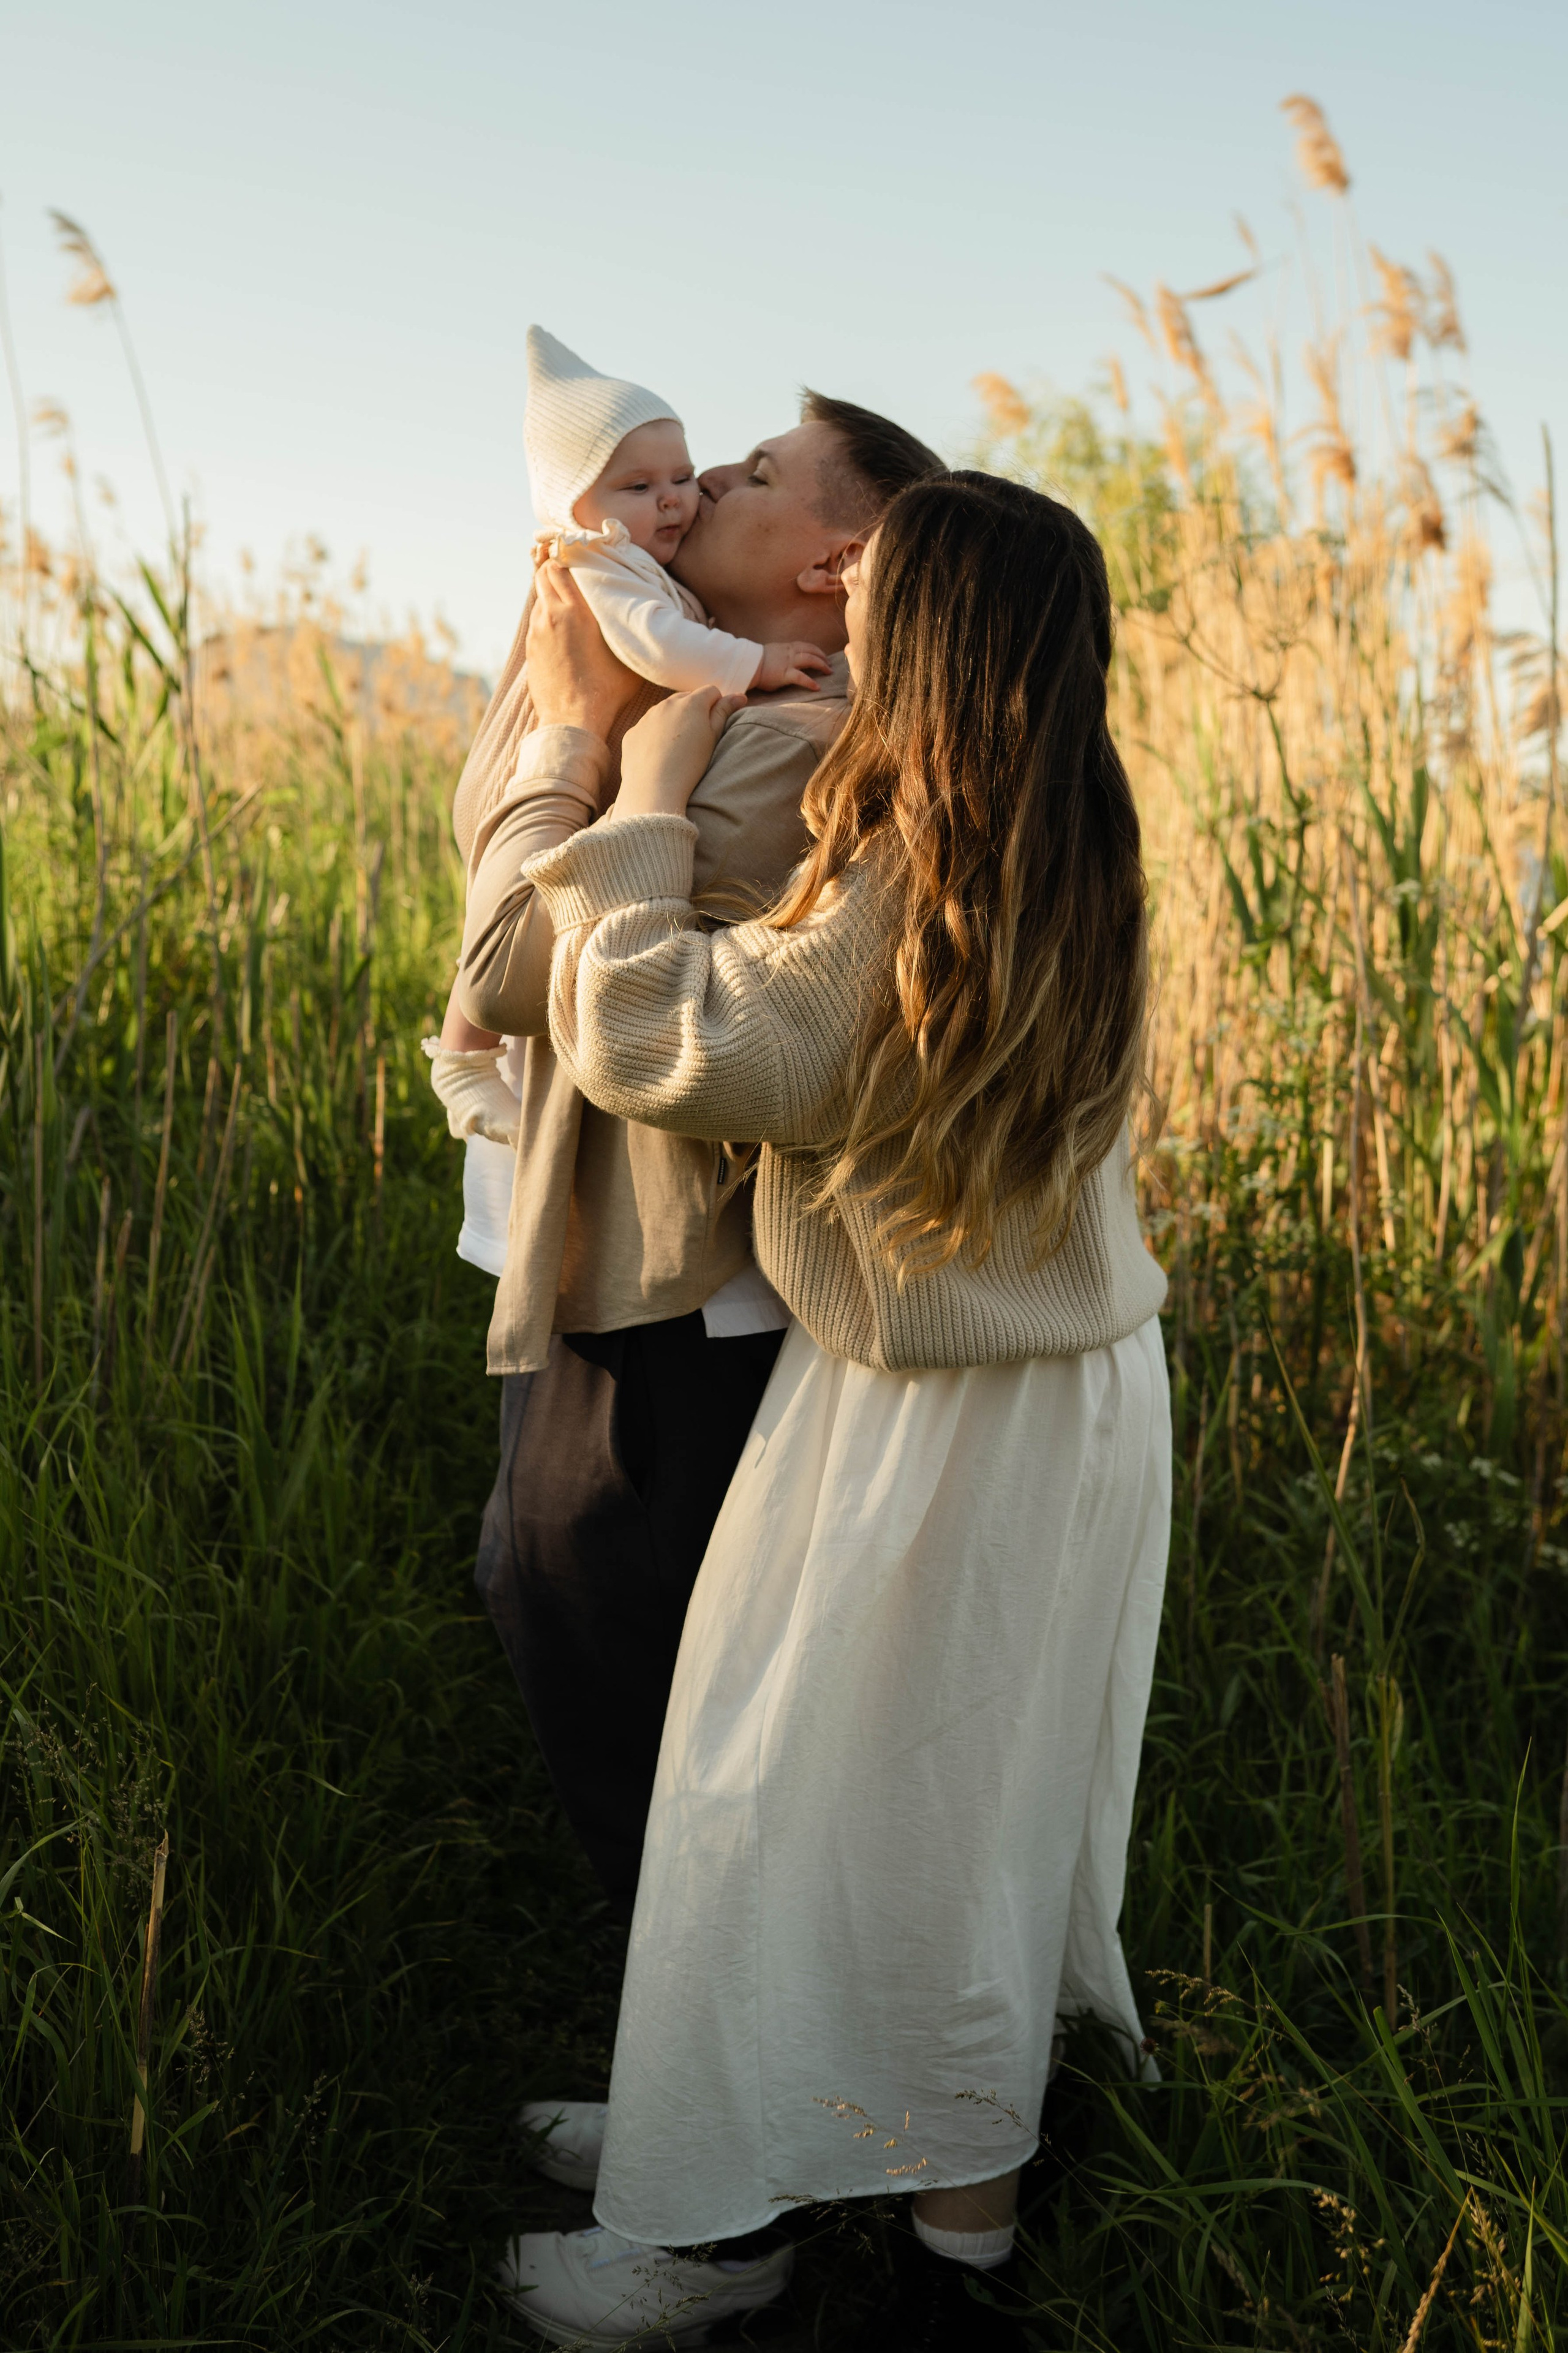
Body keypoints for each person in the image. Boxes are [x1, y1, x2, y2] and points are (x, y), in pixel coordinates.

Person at [494, 474, 1173, 2346]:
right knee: (965, 1817)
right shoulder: (1065, 824)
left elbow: (674, 1047)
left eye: (884, 556)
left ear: (937, 621)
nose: (842, 560)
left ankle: (718, 2235)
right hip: (1070, 1389)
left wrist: (625, 807)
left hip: (939, 1410)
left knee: (790, 1801)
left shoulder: (913, 862)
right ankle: (940, 2228)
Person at [442, 392, 941, 1940]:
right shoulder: (702, 696)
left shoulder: (790, 740)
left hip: (675, 1292)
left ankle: (714, 2097)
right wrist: (574, 688)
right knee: (554, 1602)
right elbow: (489, 855)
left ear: (833, 565)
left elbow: (512, 959)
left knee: (626, 1663)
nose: (706, 480)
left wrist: (586, 734)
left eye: (754, 475)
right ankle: (700, 2073)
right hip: (601, 1257)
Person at [424, 325, 829, 1152]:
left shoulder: (645, 560)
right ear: (576, 505)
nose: (683, 497)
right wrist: (755, 660)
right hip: (559, 757)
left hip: (588, 771)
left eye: (680, 475)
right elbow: (656, 646)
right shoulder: (598, 566)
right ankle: (462, 1059)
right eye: (639, 486)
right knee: (512, 892)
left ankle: (467, 1058)